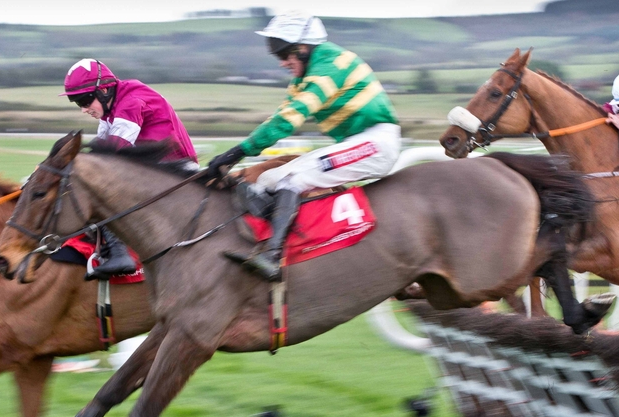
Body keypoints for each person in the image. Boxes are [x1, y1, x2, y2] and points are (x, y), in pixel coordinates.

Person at [207, 12, 401, 282]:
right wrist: (240, 152)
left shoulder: (328, 66)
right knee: (264, 180)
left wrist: (237, 152)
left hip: (376, 143)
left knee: (290, 179)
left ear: (303, 48)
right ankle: (283, 241)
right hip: (357, 141)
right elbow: (279, 117)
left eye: (285, 55)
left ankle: (274, 257)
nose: (283, 63)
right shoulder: (305, 76)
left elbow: (291, 118)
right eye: (279, 57)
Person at [61, 58, 198, 278]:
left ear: (105, 90)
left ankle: (120, 253)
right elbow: (98, 152)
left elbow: (113, 152)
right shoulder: (111, 108)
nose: (84, 109)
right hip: (156, 170)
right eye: (78, 103)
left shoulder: (131, 101)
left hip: (175, 174)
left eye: (86, 101)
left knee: (101, 182)